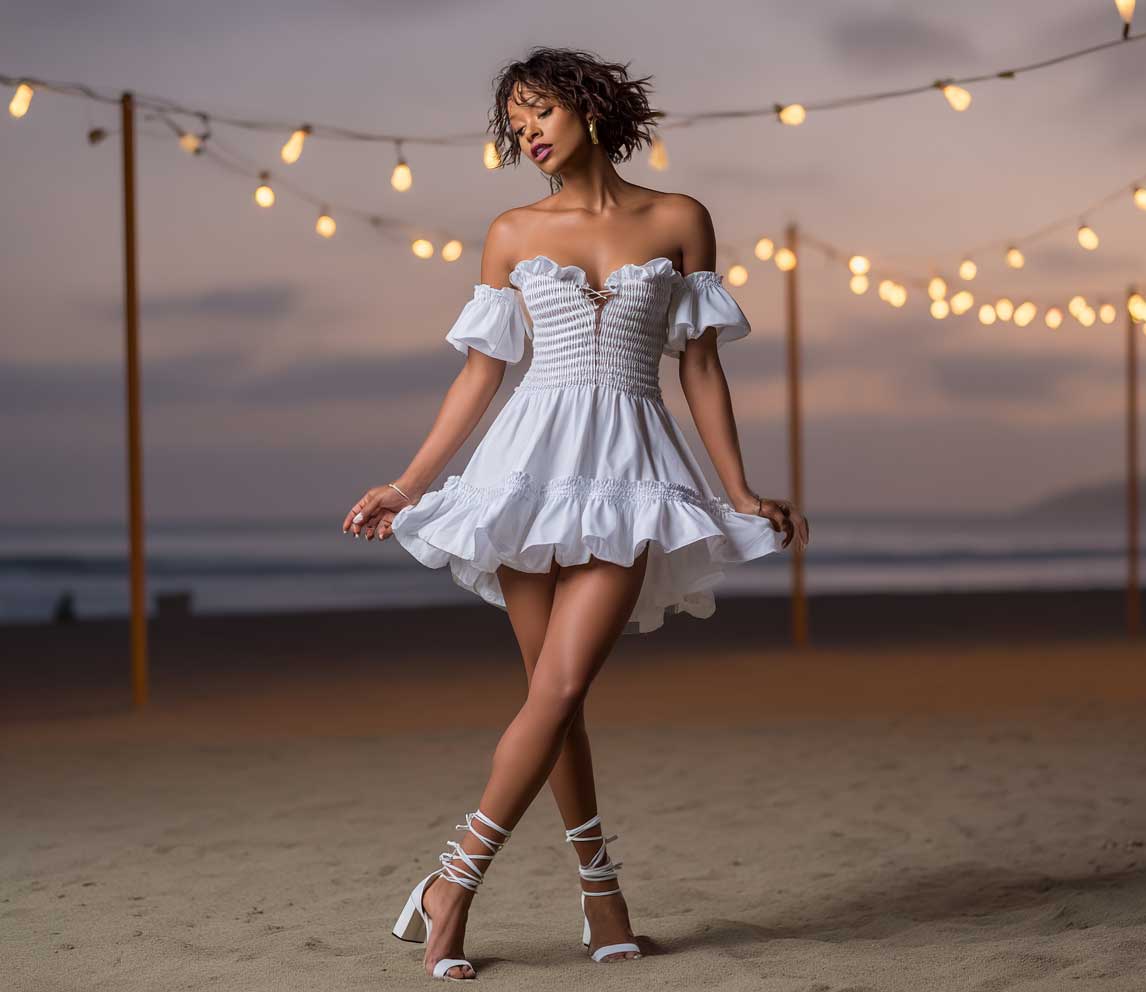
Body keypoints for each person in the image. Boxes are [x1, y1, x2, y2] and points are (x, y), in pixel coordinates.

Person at [341, 46, 809, 982]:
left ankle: (452, 885)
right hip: (523, 474)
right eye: (516, 128)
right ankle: (602, 896)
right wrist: (408, 483)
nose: (529, 136)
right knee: (555, 699)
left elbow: (701, 368)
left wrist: (738, 490)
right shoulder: (511, 230)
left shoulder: (680, 219)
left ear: (590, 109)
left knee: (557, 691)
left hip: (630, 472)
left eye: (540, 115)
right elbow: (482, 375)